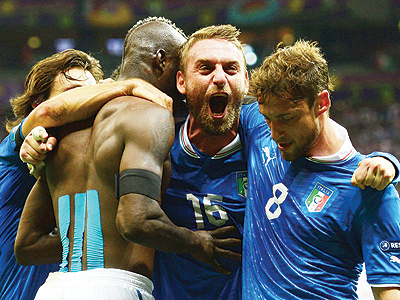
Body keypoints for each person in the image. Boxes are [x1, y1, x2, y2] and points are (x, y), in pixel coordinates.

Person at [19, 24, 400, 300]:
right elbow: (46, 119)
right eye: (206, 68)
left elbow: (321, 136)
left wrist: (384, 162)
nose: (219, 78)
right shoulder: (155, 135)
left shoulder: (263, 133)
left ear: (246, 84)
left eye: (231, 69)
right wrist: (34, 143)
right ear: (181, 81)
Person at [14, 17, 241, 300]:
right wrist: (195, 241)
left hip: (56, 288)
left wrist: (92, 242)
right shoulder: (150, 113)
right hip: (115, 288)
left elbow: (27, 245)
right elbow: (136, 220)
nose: (183, 84)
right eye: (179, 69)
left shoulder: (64, 130)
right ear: (161, 60)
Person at [0, 47, 172, 300]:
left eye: (93, 95)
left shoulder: (95, 154)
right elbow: (45, 116)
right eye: (75, 95)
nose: (89, 105)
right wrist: (129, 86)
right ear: (39, 103)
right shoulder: (15, 150)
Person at [241, 40, 400, 299]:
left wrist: (391, 164)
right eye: (267, 117)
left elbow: (389, 292)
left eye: (286, 118)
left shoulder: (369, 187)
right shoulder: (262, 128)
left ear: (322, 103)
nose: (274, 131)